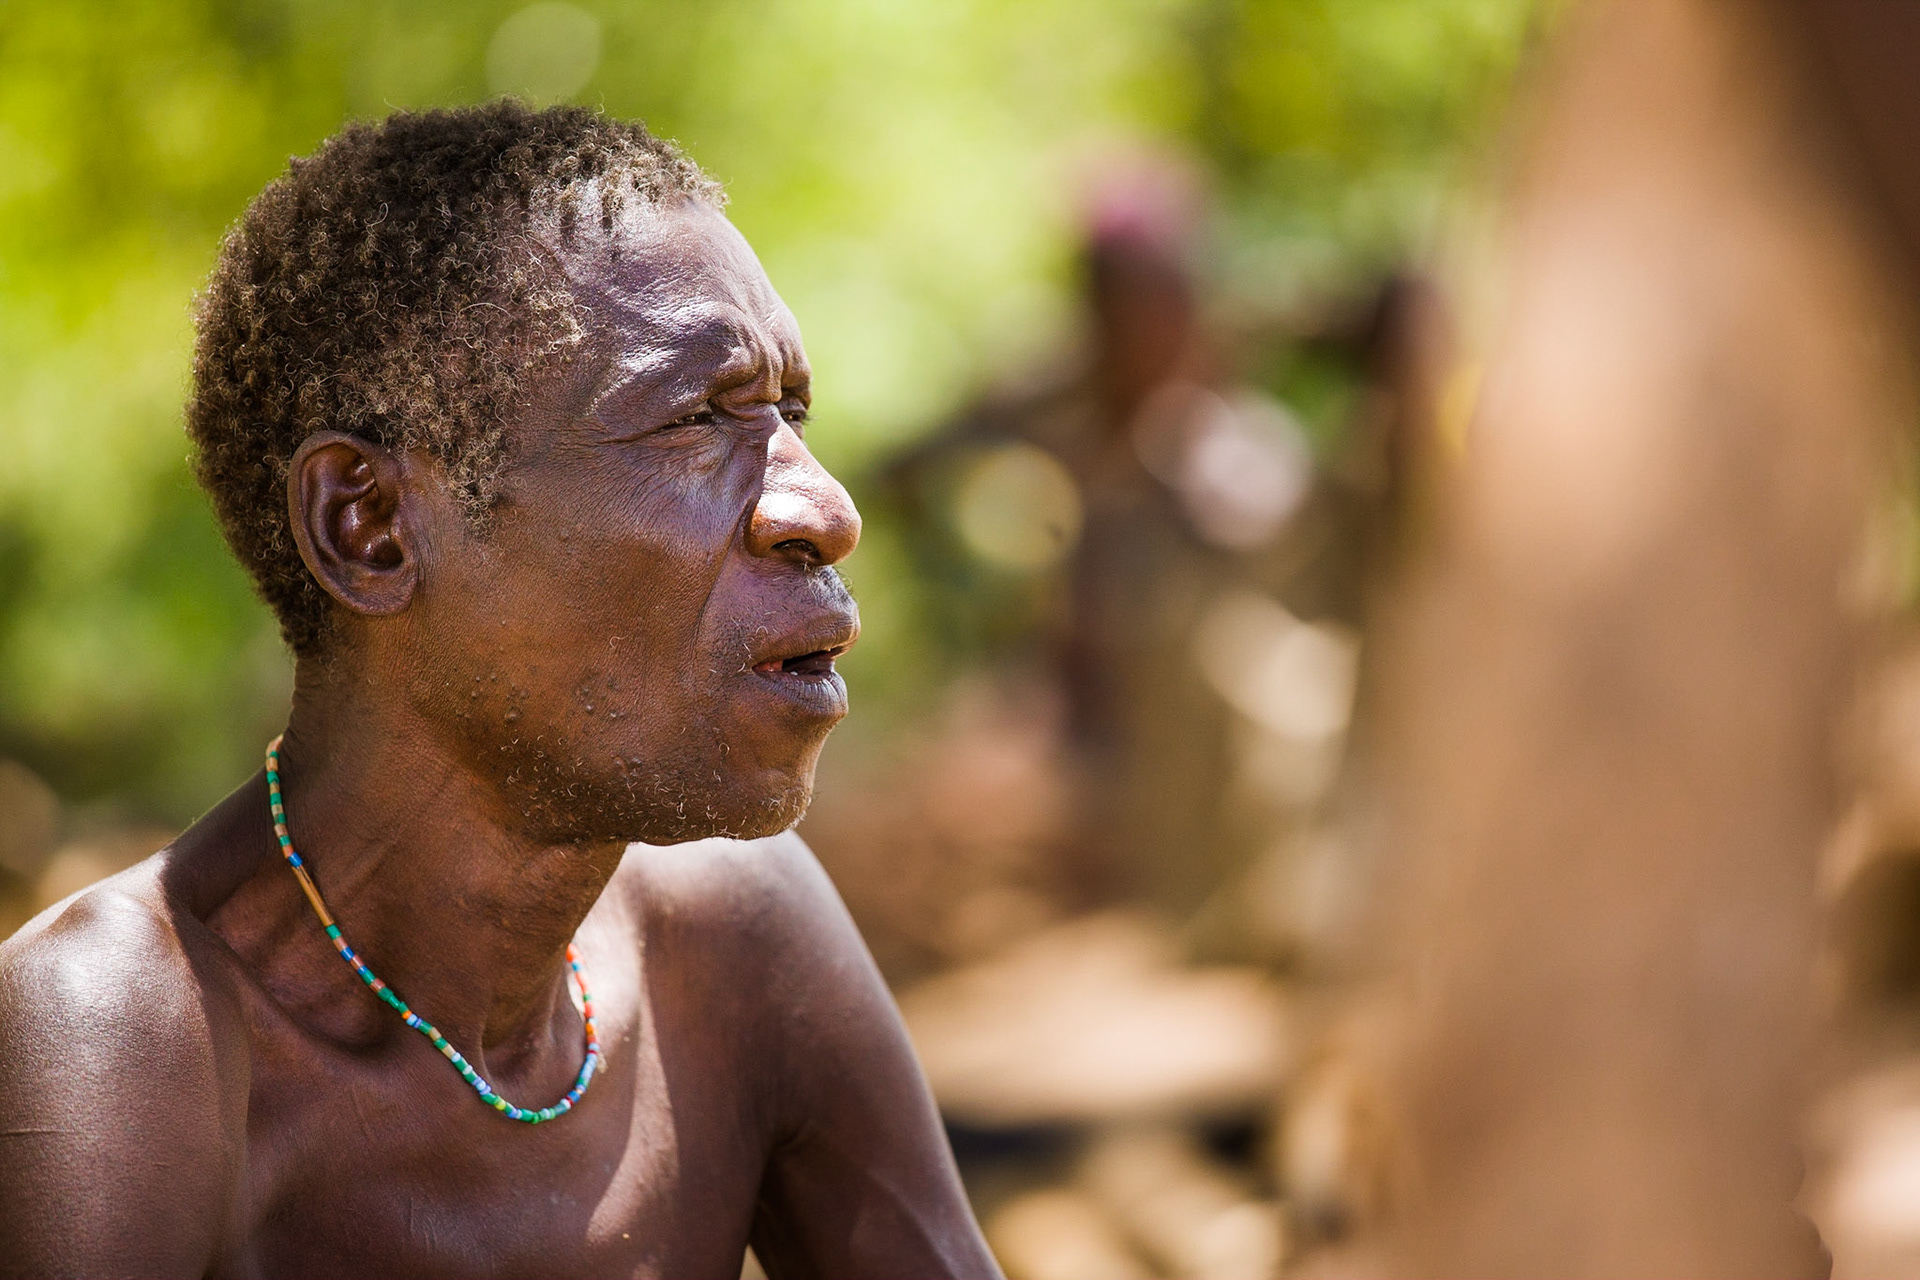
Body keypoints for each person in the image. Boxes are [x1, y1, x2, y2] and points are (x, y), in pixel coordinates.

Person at [0, 102, 1001, 1279]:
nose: (824, 509)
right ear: (371, 525)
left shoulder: (728, 943)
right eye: (696, 418)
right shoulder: (124, 1050)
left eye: (789, 414)